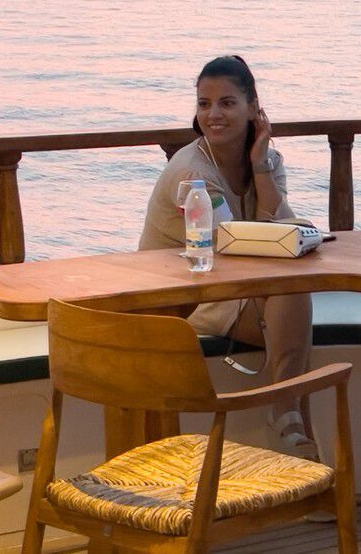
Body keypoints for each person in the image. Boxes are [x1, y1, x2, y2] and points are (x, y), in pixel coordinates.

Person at [139, 55, 316, 459]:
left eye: (227, 103)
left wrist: (259, 167)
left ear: (254, 108)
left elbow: (282, 231)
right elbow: (230, 244)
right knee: (292, 299)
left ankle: (289, 421)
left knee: (292, 292)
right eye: (204, 104)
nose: (213, 114)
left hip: (239, 283)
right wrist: (281, 239)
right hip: (188, 293)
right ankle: (289, 419)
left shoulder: (266, 160)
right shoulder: (191, 174)